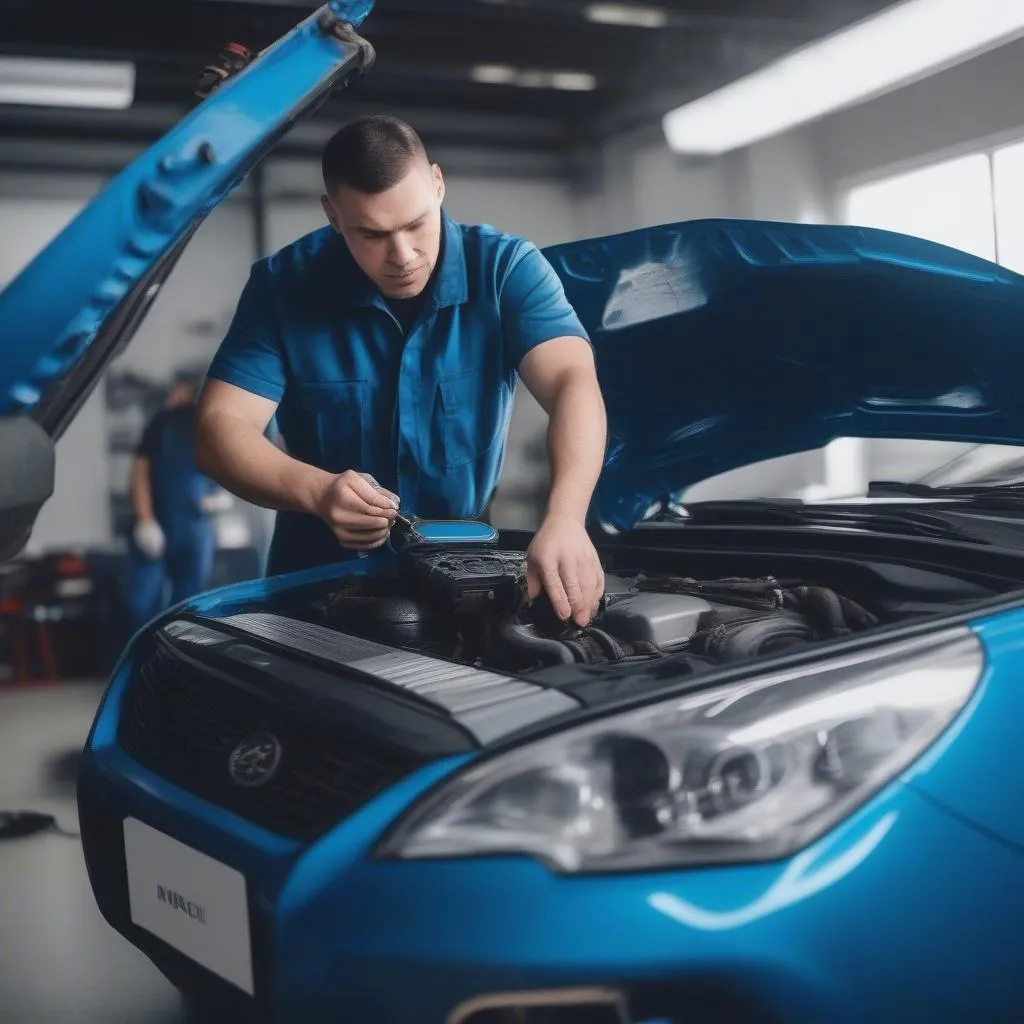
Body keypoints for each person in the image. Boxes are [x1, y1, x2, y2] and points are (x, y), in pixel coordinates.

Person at [195, 116, 607, 626]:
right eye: (371, 234)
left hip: (465, 573)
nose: (402, 255)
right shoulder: (282, 290)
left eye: (416, 224)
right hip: (317, 582)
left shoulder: (506, 270)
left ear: (437, 184)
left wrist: (566, 518)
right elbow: (219, 430)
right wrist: (318, 492)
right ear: (333, 215)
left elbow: (572, 381)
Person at [127, 374, 220, 629]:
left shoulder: (211, 426)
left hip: (196, 524)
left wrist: (219, 496)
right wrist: (145, 520)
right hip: (161, 521)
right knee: (145, 602)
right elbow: (140, 470)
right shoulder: (162, 422)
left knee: (191, 603)